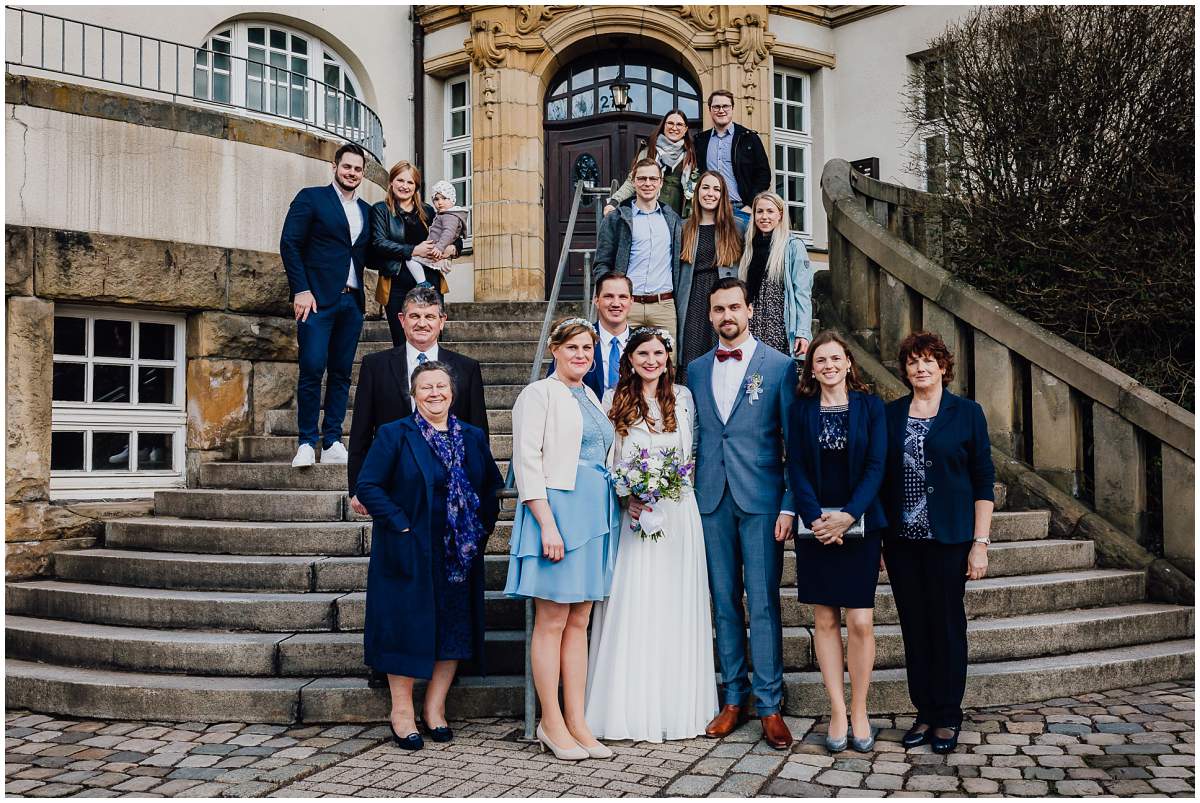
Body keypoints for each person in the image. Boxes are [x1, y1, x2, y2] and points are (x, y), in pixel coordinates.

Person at [354, 360, 503, 751]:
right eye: (426, 387)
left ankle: (435, 708)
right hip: (409, 549)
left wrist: (480, 529)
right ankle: (401, 712)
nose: (435, 393)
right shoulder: (395, 434)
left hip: (458, 553)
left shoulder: (471, 436)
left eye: (442, 386)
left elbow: (491, 487)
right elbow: (368, 486)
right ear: (413, 395)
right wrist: (401, 525)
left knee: (453, 629)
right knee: (405, 627)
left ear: (453, 392)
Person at [585, 327, 718, 743]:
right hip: (636, 517)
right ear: (630, 359)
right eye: (642, 353)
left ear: (667, 357)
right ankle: (625, 707)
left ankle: (677, 706)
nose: (650, 360)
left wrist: (669, 488)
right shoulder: (612, 399)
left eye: (657, 353)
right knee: (636, 601)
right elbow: (611, 460)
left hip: (679, 514)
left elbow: (690, 454)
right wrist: (629, 498)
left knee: (675, 603)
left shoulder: (684, 398)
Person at [682, 277, 798, 750]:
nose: (726, 316)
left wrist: (790, 503)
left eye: (734, 307)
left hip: (763, 500)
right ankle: (734, 698)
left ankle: (770, 705)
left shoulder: (781, 367)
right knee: (724, 600)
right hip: (710, 499)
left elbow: (794, 442)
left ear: (750, 310)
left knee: (764, 603)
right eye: (718, 309)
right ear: (709, 316)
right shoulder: (694, 369)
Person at [504, 318, 621, 761]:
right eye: (572, 347)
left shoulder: (591, 395)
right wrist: (546, 524)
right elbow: (528, 460)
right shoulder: (538, 394)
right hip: (556, 510)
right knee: (552, 620)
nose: (581, 355)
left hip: (593, 511)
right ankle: (550, 722)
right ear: (555, 349)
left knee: (580, 620)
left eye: (588, 348)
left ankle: (577, 720)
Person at [881, 330, 995, 755]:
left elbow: (983, 479)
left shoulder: (967, 413)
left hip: (949, 539)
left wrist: (979, 542)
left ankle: (948, 713)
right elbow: (881, 478)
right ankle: (924, 711)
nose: (921, 368)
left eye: (929, 360)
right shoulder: (891, 415)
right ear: (906, 370)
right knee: (914, 626)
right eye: (913, 361)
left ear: (944, 367)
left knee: (947, 625)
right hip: (901, 542)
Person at [786, 330, 887, 753]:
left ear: (848, 363)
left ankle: (860, 708)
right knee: (825, 620)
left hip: (859, 524)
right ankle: (837, 711)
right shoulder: (800, 410)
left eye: (834, 358)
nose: (827, 366)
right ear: (812, 368)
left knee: (860, 621)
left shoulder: (871, 407)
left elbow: (876, 464)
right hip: (816, 529)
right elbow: (797, 468)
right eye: (819, 360)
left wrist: (848, 516)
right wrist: (815, 518)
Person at [348, 286, 487, 517]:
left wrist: (477, 484)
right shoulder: (375, 366)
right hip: (394, 485)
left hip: (452, 484)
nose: (422, 323)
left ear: (442, 321)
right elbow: (361, 431)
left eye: (430, 316)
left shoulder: (467, 368)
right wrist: (357, 486)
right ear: (402, 320)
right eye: (415, 316)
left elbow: (478, 432)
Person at [280, 143, 373, 469]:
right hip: (316, 300)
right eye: (347, 167)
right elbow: (289, 243)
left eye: (358, 169)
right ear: (335, 167)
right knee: (312, 366)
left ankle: (332, 440)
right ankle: (306, 441)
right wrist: (301, 290)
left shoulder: (366, 211)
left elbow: (375, 252)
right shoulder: (311, 198)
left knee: (342, 373)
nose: (352, 173)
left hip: (351, 301)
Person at [369, 161, 463, 346]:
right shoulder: (381, 210)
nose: (405, 186)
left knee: (431, 341)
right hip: (396, 285)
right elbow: (378, 244)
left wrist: (453, 249)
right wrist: (413, 250)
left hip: (430, 284)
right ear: (391, 182)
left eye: (410, 182)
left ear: (416, 186)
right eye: (400, 180)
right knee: (402, 343)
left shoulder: (428, 210)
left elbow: (453, 233)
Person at [594, 159, 684, 341]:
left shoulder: (673, 220)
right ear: (634, 182)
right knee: (619, 364)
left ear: (660, 182)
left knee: (667, 365)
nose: (647, 184)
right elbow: (602, 262)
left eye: (653, 178)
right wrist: (610, 297)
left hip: (663, 306)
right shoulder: (616, 218)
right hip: (628, 304)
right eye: (642, 179)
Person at [678, 171, 746, 373]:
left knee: (722, 352)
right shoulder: (683, 228)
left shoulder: (737, 227)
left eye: (716, 189)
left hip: (723, 296)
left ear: (723, 195)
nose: (710, 193)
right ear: (697, 192)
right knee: (692, 355)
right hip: (693, 297)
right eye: (706, 188)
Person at [737, 191, 813, 359]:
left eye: (770, 211)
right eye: (760, 211)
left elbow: (802, 293)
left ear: (780, 215)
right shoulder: (749, 247)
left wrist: (802, 333)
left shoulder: (793, 247)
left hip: (779, 324)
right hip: (752, 322)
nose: (764, 216)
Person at [548, 273, 633, 399]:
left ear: (631, 301)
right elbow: (554, 387)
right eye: (608, 296)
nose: (616, 303)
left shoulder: (643, 343)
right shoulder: (578, 339)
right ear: (596, 301)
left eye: (623, 297)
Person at [694, 90, 771, 225]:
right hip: (709, 210)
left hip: (740, 210)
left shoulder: (748, 138)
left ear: (732, 108)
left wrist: (750, 205)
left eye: (725, 106)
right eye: (716, 107)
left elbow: (763, 175)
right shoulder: (700, 141)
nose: (721, 110)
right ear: (710, 110)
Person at [603, 110, 698, 218]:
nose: (674, 128)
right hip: (649, 213)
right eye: (670, 123)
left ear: (685, 129)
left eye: (679, 124)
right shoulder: (650, 151)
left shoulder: (691, 154)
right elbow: (632, 180)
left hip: (678, 216)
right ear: (663, 126)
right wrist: (614, 202)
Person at [405, 180, 468, 296]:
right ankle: (423, 282)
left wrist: (449, 248)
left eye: (444, 198)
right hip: (401, 280)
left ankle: (422, 282)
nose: (440, 202)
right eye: (436, 199)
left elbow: (451, 235)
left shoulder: (445, 215)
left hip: (434, 254)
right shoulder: (442, 214)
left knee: (410, 258)